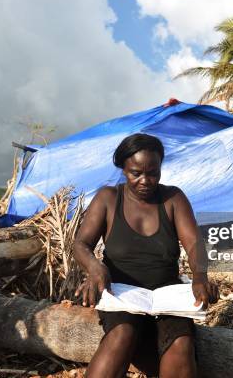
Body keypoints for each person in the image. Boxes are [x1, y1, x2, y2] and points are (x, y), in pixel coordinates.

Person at [73, 133, 218, 378]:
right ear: (123, 169)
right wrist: (95, 267)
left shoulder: (173, 198)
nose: (145, 181)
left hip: (168, 296)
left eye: (153, 173)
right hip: (121, 294)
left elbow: (193, 242)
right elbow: (81, 243)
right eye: (136, 173)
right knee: (122, 334)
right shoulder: (108, 198)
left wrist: (200, 275)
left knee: (181, 343)